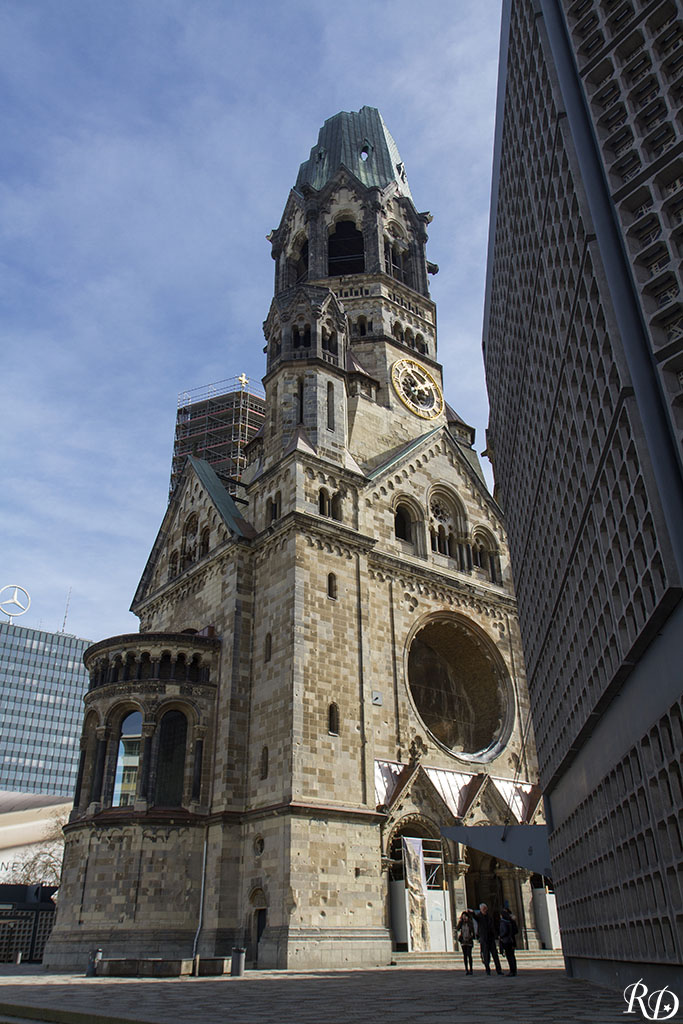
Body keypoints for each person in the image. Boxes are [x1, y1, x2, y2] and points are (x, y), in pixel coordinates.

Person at [470, 903, 502, 975]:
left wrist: (495, 935)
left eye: (485, 908)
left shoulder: (489, 916)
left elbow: (492, 926)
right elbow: (475, 917)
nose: (485, 910)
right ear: (481, 909)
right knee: (486, 955)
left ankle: (499, 970)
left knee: (495, 955)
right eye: (483, 908)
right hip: (484, 939)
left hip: (491, 938)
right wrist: (472, 912)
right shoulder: (479, 916)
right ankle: (488, 970)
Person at [499, 907, 518, 976]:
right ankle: (513, 970)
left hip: (507, 941)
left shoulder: (505, 922)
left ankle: (512, 970)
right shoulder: (510, 921)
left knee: (510, 956)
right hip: (511, 940)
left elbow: (504, 931)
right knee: (512, 956)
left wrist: (501, 936)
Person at [456, 910, 475, 975]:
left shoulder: (470, 922)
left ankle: (471, 969)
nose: (464, 918)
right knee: (465, 955)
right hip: (463, 941)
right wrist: (460, 921)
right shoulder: (461, 923)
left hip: (469, 940)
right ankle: (466, 969)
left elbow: (473, 931)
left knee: (469, 955)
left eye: (465, 916)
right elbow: (457, 928)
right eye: (463, 916)